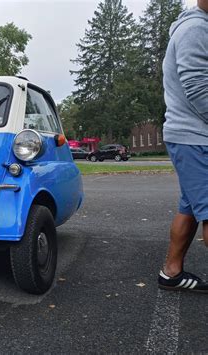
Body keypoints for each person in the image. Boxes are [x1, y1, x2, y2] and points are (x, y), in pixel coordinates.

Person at [158, 0, 208, 293]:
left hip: (192, 136)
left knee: (190, 208)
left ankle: (171, 273)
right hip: (194, 137)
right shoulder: (195, 29)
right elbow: (198, 89)